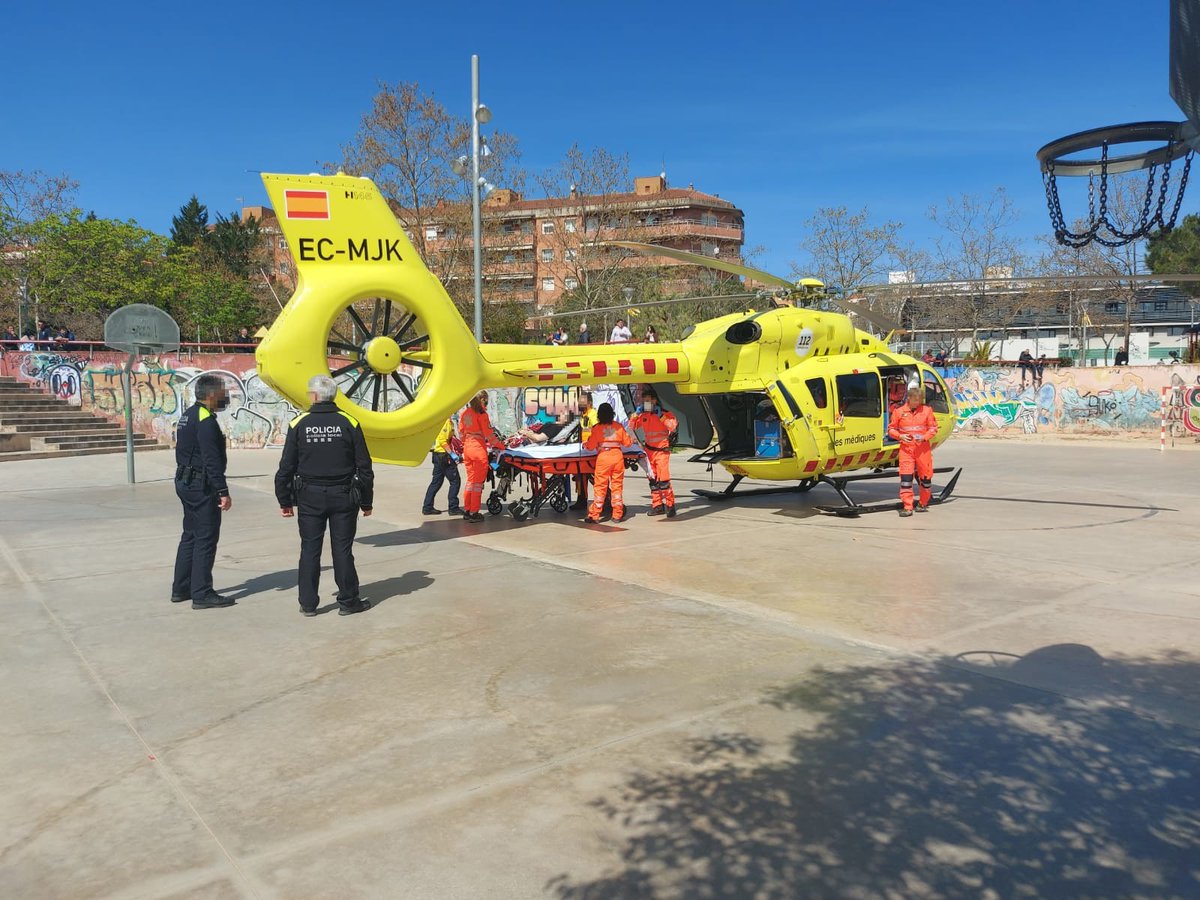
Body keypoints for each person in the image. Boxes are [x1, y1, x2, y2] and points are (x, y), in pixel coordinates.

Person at [274, 374, 374, 617]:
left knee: (310, 549)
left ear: (314, 396)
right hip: (344, 496)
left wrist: (284, 500)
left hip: (309, 496)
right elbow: (364, 466)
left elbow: (286, 466)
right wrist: (366, 501)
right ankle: (348, 602)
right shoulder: (349, 422)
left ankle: (308, 604)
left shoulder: (299, 423)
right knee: (342, 549)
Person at [171, 374, 235, 608]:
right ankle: (202, 593)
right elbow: (211, 459)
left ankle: (181, 588)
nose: (225, 396)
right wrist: (222, 490)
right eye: (222, 392)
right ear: (211, 395)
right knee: (205, 538)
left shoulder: (188, 415)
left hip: (186, 482)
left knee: (190, 535)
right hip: (201, 486)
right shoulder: (205, 420)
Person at [887, 386, 938, 518]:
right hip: (906, 450)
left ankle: (923, 503)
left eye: (919, 400)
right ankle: (907, 507)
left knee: (926, 479)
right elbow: (891, 429)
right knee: (906, 479)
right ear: (909, 398)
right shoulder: (899, 412)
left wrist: (925, 437)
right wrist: (900, 436)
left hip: (923, 450)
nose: (918, 402)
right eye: (915, 400)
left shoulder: (927, 411)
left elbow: (933, 428)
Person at [628, 386, 678, 517]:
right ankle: (657, 506)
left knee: (664, 481)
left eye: (648, 401)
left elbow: (673, 427)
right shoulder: (643, 415)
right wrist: (636, 414)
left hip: (661, 452)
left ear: (655, 401)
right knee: (653, 480)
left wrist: (660, 416)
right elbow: (632, 426)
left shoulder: (665, 414)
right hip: (649, 451)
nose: (646, 404)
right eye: (644, 401)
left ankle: (670, 505)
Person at [459, 391, 505, 522]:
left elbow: (461, 432)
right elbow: (489, 435)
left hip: (467, 449)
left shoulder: (465, 413)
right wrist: (502, 446)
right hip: (478, 450)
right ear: (483, 399)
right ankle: (474, 513)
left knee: (470, 482)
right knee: (478, 484)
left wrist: (466, 444)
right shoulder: (482, 414)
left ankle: (467, 510)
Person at [584, 402, 633, 524]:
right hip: (617, 458)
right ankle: (617, 514)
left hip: (603, 459)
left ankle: (594, 515)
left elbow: (590, 446)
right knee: (617, 486)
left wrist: (585, 444)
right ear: (612, 414)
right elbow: (628, 443)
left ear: (599, 415)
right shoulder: (618, 427)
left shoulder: (596, 428)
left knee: (600, 487)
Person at [422, 416, 462, 516]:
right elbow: (442, 441)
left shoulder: (448, 422)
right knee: (455, 481)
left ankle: (427, 507)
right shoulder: (445, 422)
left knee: (436, 482)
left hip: (438, 456)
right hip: (444, 456)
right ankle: (453, 508)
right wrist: (453, 455)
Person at [571, 391, 599, 511]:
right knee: (580, 476)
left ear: (589, 402)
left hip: (592, 450)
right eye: (579, 402)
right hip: (584, 449)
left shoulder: (593, 414)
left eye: (583, 402)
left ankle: (605, 500)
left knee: (590, 476)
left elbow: (597, 431)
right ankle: (581, 500)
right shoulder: (582, 415)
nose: (580, 404)